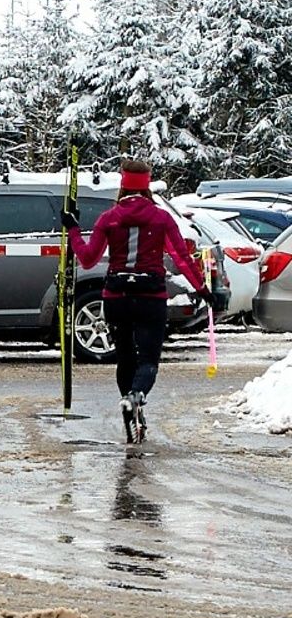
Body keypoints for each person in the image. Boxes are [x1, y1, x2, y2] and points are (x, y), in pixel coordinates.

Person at [61, 158, 217, 441]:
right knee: (148, 360)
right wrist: (203, 290)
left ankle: (130, 404)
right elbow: (181, 258)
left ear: (122, 185)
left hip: (116, 296)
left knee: (124, 358)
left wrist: (72, 229)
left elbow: (87, 259)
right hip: (150, 296)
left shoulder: (108, 218)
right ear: (147, 186)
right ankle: (136, 397)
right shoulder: (161, 218)